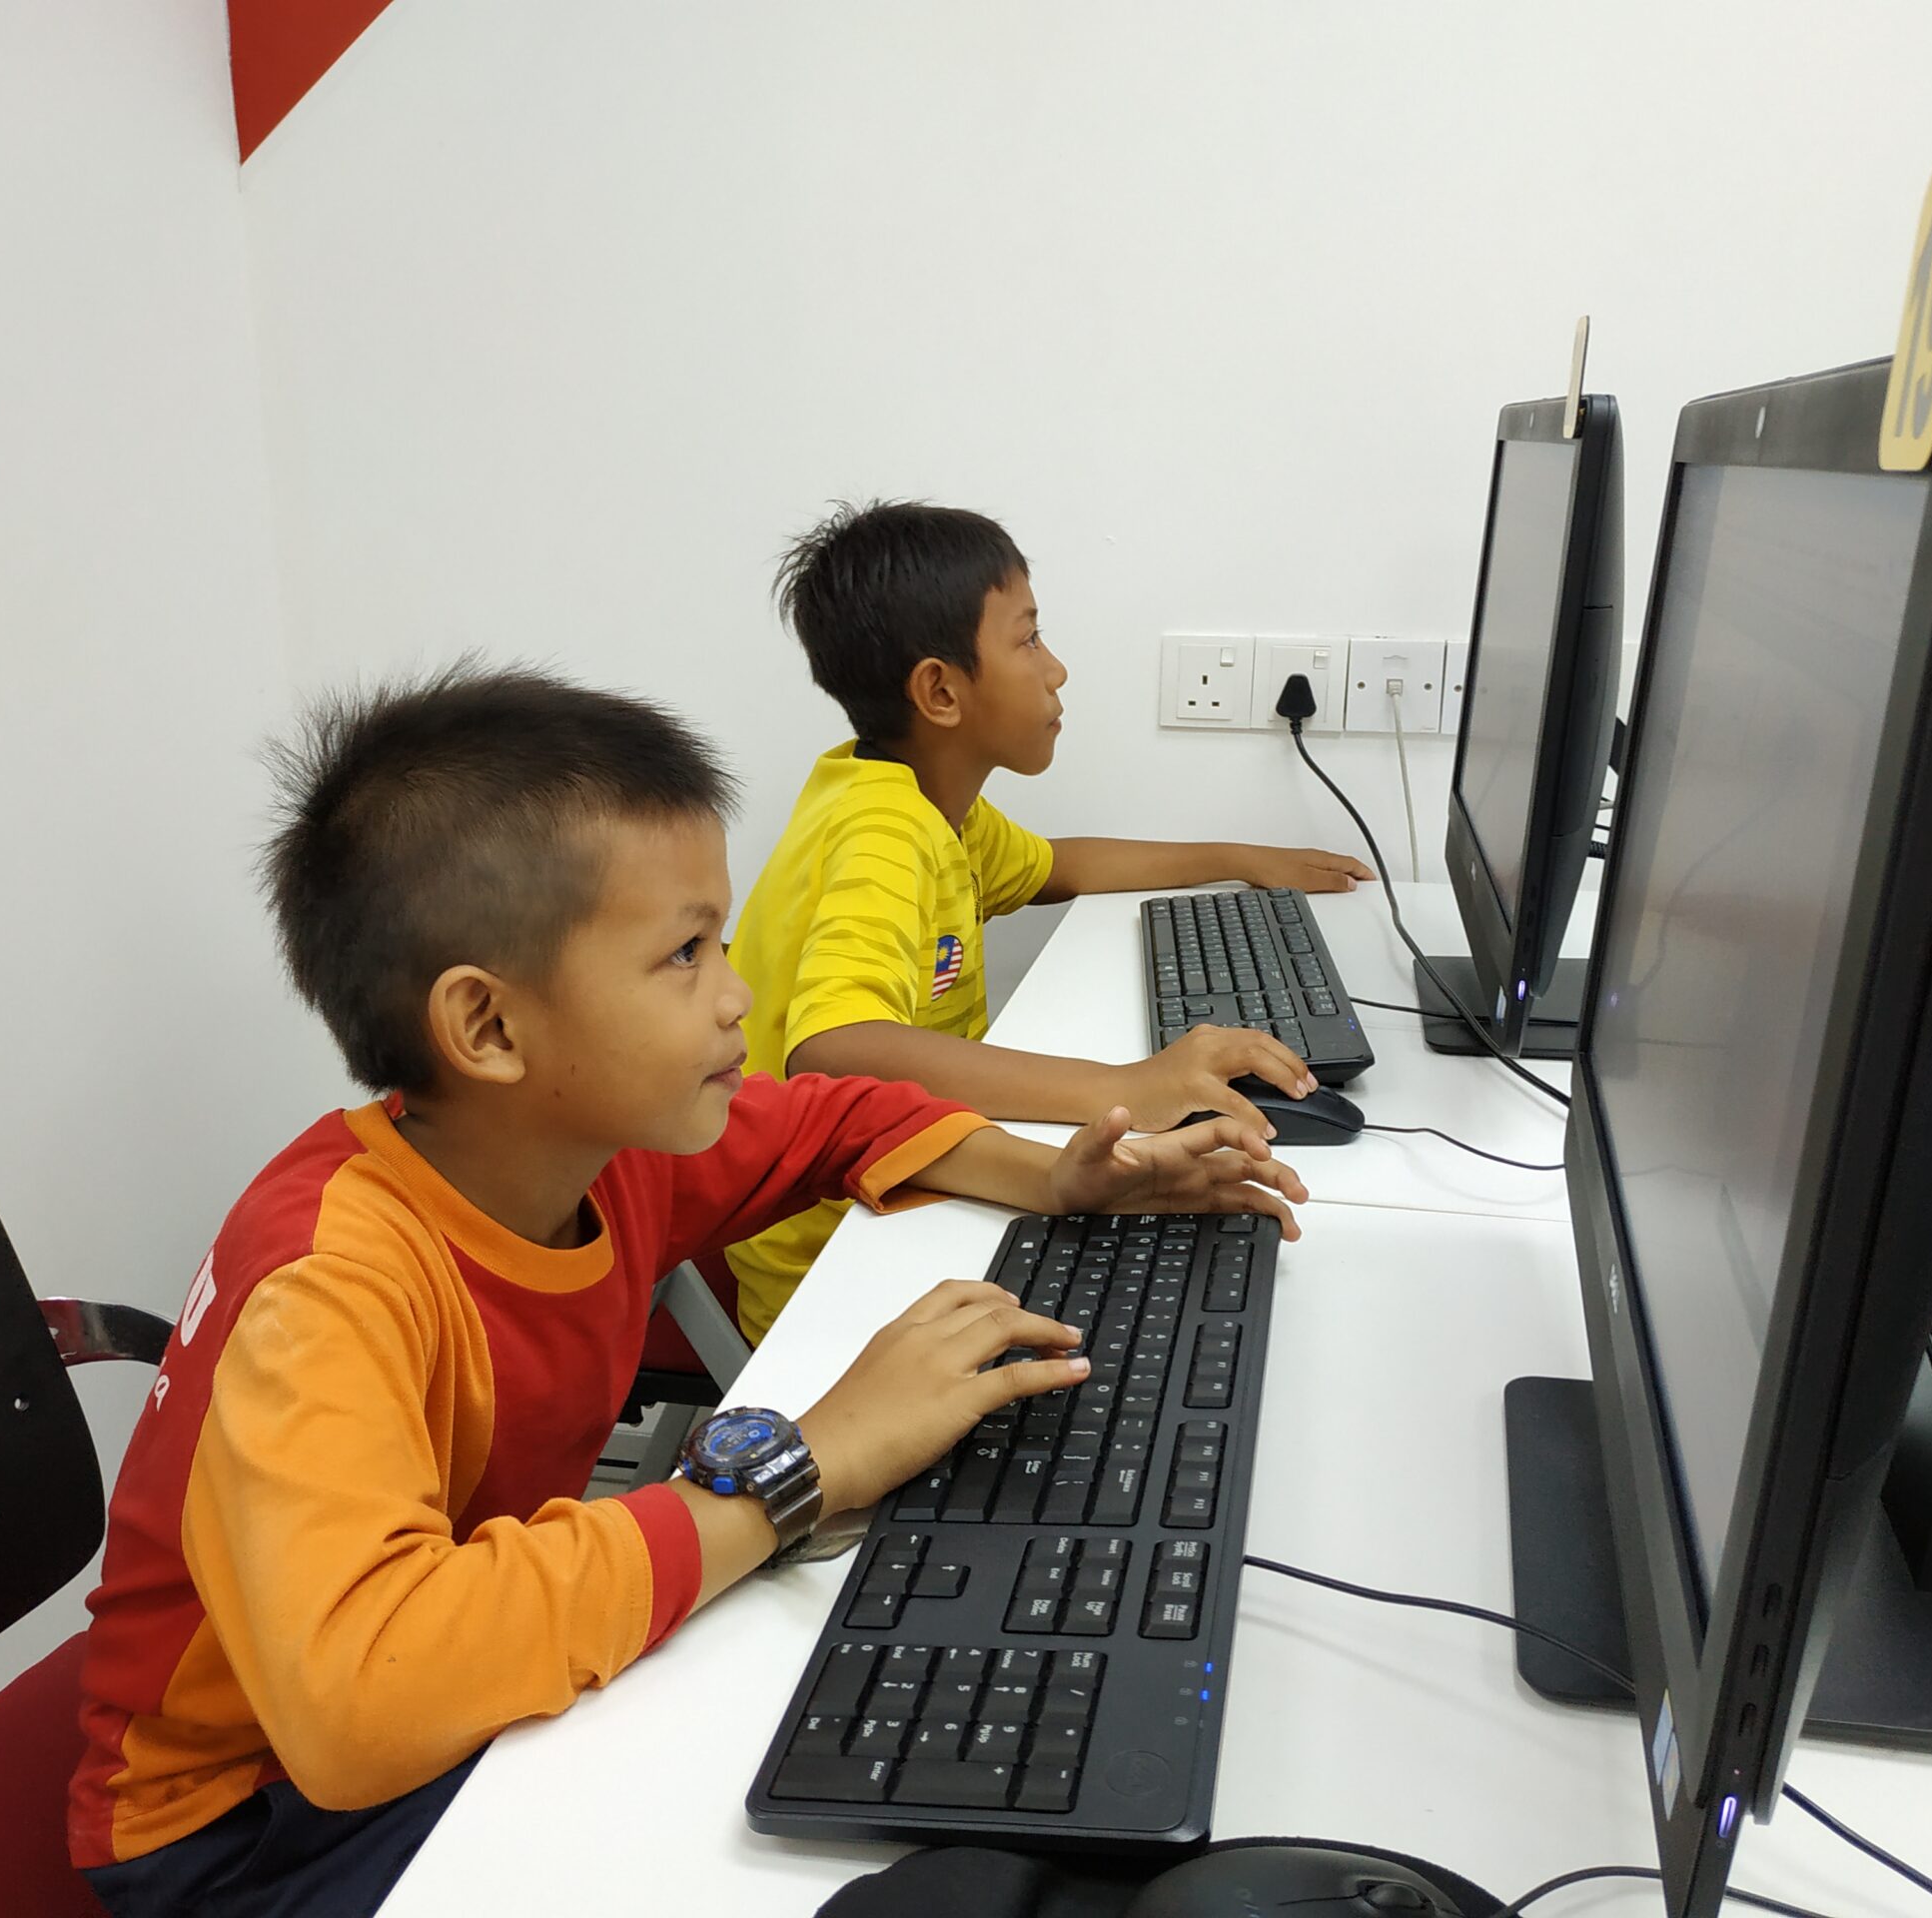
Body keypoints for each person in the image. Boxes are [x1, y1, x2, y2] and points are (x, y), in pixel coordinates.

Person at [67, 663, 1304, 1916]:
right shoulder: (332, 1283)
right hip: (246, 1833)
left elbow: (835, 1116)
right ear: (489, 1029)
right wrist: (808, 1464)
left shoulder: (601, 1146)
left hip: (410, 1707)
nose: (737, 993)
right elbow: (360, 1697)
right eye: (683, 953)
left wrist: (1057, 1180)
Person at [726, 499, 1370, 1337]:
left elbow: (1060, 867)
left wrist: (1241, 857)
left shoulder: (921, 802)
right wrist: (1124, 1087)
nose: (1056, 669)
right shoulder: (881, 831)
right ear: (941, 691)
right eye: (1028, 640)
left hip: (899, 1184)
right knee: (1170, 1294)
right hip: (830, 1260)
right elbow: (836, 1045)